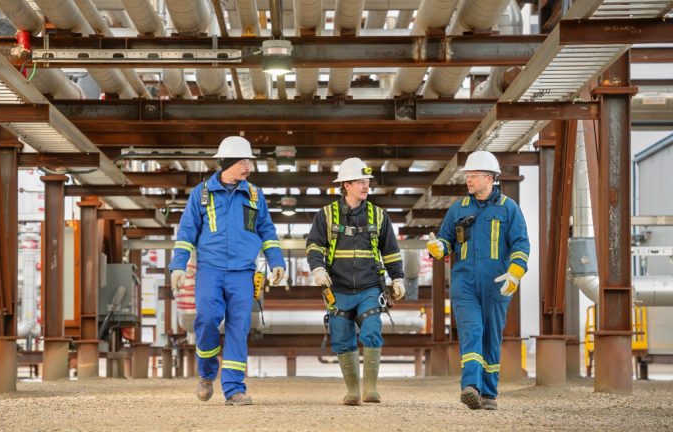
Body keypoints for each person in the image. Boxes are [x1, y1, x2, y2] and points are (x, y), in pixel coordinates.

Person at [169, 136, 285, 406]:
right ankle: (207, 373)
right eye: (243, 161)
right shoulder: (201, 194)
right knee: (207, 320)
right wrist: (178, 265)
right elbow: (186, 232)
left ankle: (234, 389)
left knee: (238, 328)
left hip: (243, 273)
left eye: (249, 161)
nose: (248, 166)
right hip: (210, 271)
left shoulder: (254, 195)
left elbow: (267, 231)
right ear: (228, 163)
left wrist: (277, 261)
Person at [426, 150, 530, 411]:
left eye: (473, 175)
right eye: (467, 175)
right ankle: (471, 386)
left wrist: (515, 272)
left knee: (491, 337)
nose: (468, 179)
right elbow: (446, 240)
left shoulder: (508, 208)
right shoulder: (458, 209)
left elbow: (520, 244)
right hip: (464, 283)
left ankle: (488, 393)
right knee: (471, 331)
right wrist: (438, 247)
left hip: (497, 284)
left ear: (490, 178)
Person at [305, 157, 405, 406]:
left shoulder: (378, 216)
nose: (366, 185)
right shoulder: (326, 215)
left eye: (367, 181)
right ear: (346, 185)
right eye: (360, 181)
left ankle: (370, 389)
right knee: (341, 337)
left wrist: (398, 278)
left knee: (371, 329)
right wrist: (317, 269)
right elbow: (314, 245)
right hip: (337, 289)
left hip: (369, 287)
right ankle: (353, 391)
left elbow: (391, 251)